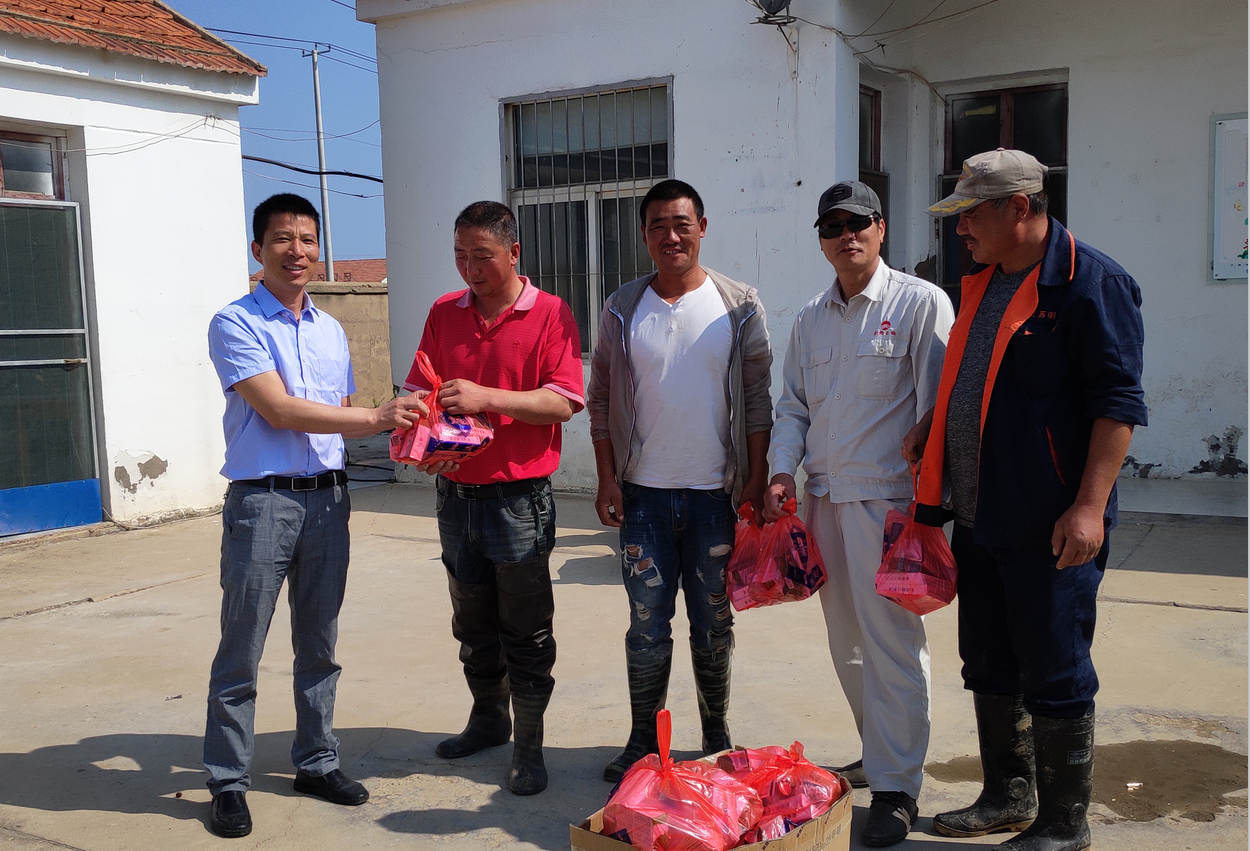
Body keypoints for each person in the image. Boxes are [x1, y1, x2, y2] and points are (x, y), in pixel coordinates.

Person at [909, 148, 1147, 851]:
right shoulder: (985, 281)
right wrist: (935, 423)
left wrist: (1089, 507)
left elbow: (1118, 404)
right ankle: (1008, 795)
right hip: (980, 514)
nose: (960, 229)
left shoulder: (1090, 283)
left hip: (1050, 522)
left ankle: (1065, 823)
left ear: (1020, 207)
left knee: (1054, 664)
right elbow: (976, 374)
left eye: (970, 214)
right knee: (988, 659)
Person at [204, 193, 426, 839]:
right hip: (263, 501)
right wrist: (378, 417)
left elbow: (341, 414)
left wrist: (420, 437)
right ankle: (228, 779)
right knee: (242, 646)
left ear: (318, 249)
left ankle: (317, 761)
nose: (296, 251)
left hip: (329, 500)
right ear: (258, 250)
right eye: (282, 239)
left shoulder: (331, 329)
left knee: (320, 643)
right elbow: (280, 410)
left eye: (306, 239)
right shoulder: (236, 322)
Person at [764, 181, 954, 847]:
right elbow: (793, 406)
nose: (847, 235)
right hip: (824, 498)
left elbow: (937, 411)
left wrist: (928, 510)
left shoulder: (920, 303)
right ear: (821, 239)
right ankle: (880, 754)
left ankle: (898, 787)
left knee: (892, 643)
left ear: (881, 229)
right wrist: (781, 470)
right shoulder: (810, 318)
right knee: (846, 641)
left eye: (859, 222)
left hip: (888, 505)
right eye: (833, 225)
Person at [587, 179, 773, 783]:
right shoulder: (622, 307)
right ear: (644, 235)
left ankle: (715, 736)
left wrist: (755, 477)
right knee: (647, 624)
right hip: (642, 496)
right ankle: (644, 740)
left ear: (702, 227)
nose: (671, 236)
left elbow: (757, 398)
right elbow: (599, 400)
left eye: (682, 224)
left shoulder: (738, 305)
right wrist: (607, 478)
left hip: (715, 497)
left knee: (713, 622)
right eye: (658, 226)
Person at [402, 201, 583, 796]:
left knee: (526, 629)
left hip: (519, 499)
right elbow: (420, 390)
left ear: (514, 253)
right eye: (460, 256)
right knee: (472, 620)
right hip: (456, 496)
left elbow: (563, 401)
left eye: (482, 256)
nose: (470, 269)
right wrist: (425, 441)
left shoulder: (550, 313)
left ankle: (529, 744)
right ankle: (487, 719)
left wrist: (487, 397)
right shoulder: (443, 312)